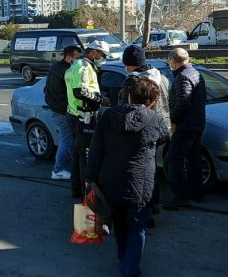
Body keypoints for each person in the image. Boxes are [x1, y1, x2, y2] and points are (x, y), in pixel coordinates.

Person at [86, 77, 170, 277]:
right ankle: (130, 269)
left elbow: (96, 149)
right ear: (151, 101)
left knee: (120, 224)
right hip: (140, 183)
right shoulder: (154, 118)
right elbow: (166, 137)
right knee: (137, 226)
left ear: (130, 95)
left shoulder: (108, 116)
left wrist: (90, 178)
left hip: (110, 179)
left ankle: (123, 258)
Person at [119, 44, 171, 226]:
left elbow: (125, 110)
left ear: (129, 64)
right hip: (161, 129)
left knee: (136, 173)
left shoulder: (132, 82)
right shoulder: (162, 77)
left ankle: (142, 212)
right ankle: (153, 206)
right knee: (153, 170)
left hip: (139, 132)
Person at [64, 40, 111, 200]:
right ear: (93, 52)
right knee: (85, 155)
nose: (103, 58)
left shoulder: (75, 65)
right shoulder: (83, 67)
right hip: (82, 117)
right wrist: (100, 100)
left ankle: (76, 189)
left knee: (78, 155)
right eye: (102, 55)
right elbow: (80, 91)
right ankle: (87, 194)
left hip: (75, 113)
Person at [166, 47, 206, 209]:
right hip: (197, 123)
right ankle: (197, 192)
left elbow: (183, 102)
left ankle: (181, 196)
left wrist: (173, 120)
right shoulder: (196, 73)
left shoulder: (182, 77)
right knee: (193, 157)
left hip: (185, 125)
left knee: (173, 159)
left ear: (173, 62)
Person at [44, 45, 82, 181]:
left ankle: (76, 166)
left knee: (70, 139)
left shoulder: (55, 67)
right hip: (62, 111)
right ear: (69, 57)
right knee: (66, 139)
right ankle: (58, 170)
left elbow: (46, 89)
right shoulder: (67, 71)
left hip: (55, 108)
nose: (78, 61)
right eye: (77, 58)